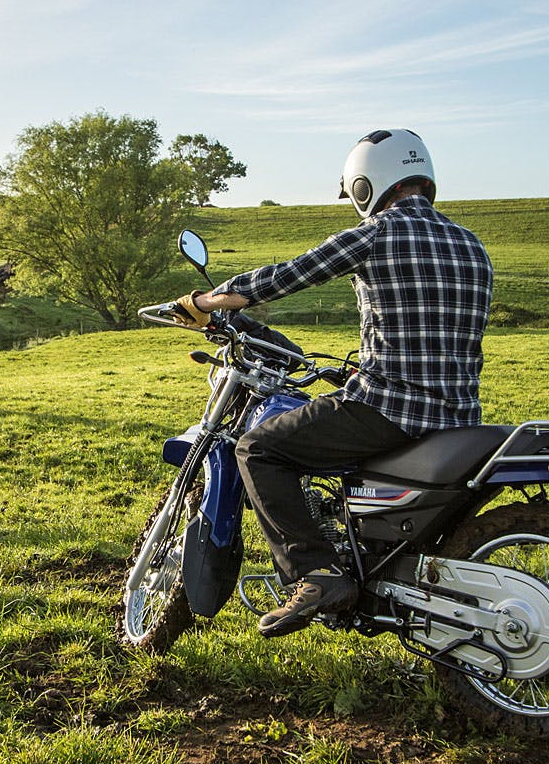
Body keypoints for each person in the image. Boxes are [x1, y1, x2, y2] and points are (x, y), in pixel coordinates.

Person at [172, 129, 493, 637]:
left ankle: (316, 574)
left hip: (389, 412)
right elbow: (433, 335)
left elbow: (290, 274)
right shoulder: (470, 244)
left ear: (366, 185)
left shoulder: (378, 233)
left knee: (258, 449)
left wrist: (207, 301)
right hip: (459, 416)